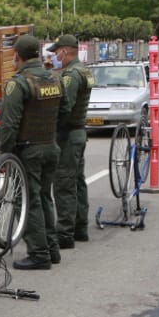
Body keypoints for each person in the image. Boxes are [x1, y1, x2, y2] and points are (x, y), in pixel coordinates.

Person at [0, 34, 62, 270]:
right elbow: (64, 111)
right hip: (50, 146)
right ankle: (52, 249)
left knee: (28, 201)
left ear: (17, 55)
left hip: (29, 151)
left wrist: (5, 155)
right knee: (45, 197)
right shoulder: (54, 78)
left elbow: (9, 124)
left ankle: (39, 253)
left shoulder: (18, 83)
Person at [50, 34, 93, 247]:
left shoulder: (71, 76)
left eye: (57, 51)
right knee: (77, 181)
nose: (55, 56)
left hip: (68, 134)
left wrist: (52, 129)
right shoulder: (83, 70)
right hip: (79, 132)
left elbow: (64, 107)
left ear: (65, 51)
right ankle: (80, 227)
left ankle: (65, 234)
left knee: (64, 182)